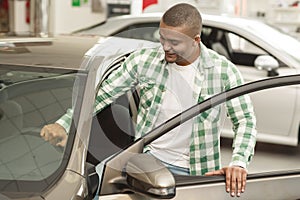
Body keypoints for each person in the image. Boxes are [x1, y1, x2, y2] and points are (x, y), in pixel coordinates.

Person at [40, 3, 257, 197]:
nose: (165, 47)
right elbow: (102, 94)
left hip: (197, 172)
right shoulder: (145, 61)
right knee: (96, 186)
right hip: (147, 163)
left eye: (174, 42)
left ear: (196, 40)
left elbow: (245, 121)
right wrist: (65, 124)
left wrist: (238, 162)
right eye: (162, 38)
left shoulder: (223, 72)